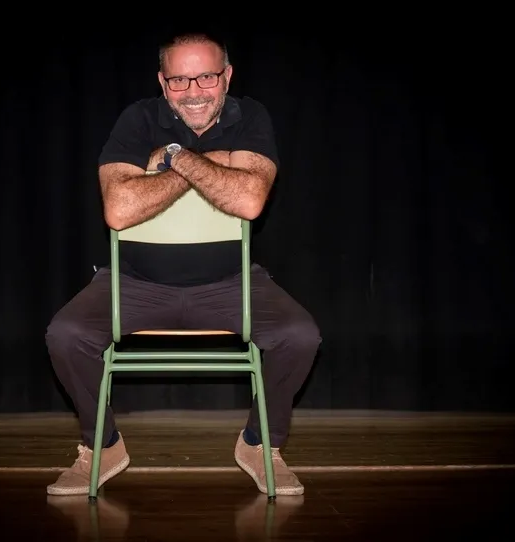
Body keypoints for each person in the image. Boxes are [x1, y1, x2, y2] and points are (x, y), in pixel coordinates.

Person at [45, 32, 321, 497]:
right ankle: (102, 445)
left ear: (227, 76)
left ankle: (260, 443)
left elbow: (249, 200)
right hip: (134, 282)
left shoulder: (250, 117)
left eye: (206, 77)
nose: (193, 91)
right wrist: (207, 165)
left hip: (230, 282)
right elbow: (118, 210)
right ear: (162, 81)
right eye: (179, 80)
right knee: (66, 335)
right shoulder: (138, 119)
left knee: (299, 336)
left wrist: (172, 159)